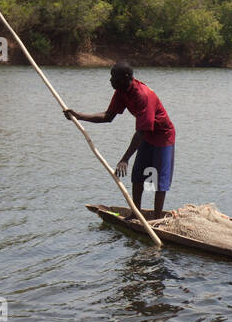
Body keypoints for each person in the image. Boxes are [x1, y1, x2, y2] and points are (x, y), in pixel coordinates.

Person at [63, 62, 175, 213]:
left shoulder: (143, 95)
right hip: (146, 136)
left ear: (126, 77)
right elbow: (108, 116)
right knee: (138, 175)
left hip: (162, 136)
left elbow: (141, 131)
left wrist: (125, 159)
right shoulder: (121, 91)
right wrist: (78, 116)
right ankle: (136, 213)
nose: (111, 80)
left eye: (114, 77)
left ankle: (156, 218)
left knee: (158, 180)